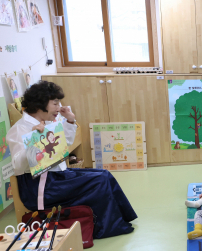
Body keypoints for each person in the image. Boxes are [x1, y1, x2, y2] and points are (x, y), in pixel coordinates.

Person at [7, 81, 137, 239]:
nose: (58, 107)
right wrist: (34, 141)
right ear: (40, 104)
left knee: (104, 174)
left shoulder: (48, 122)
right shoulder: (20, 128)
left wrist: (69, 120)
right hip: (40, 187)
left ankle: (122, 218)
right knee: (99, 180)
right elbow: (17, 164)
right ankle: (107, 227)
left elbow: (65, 144)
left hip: (57, 176)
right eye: (55, 103)